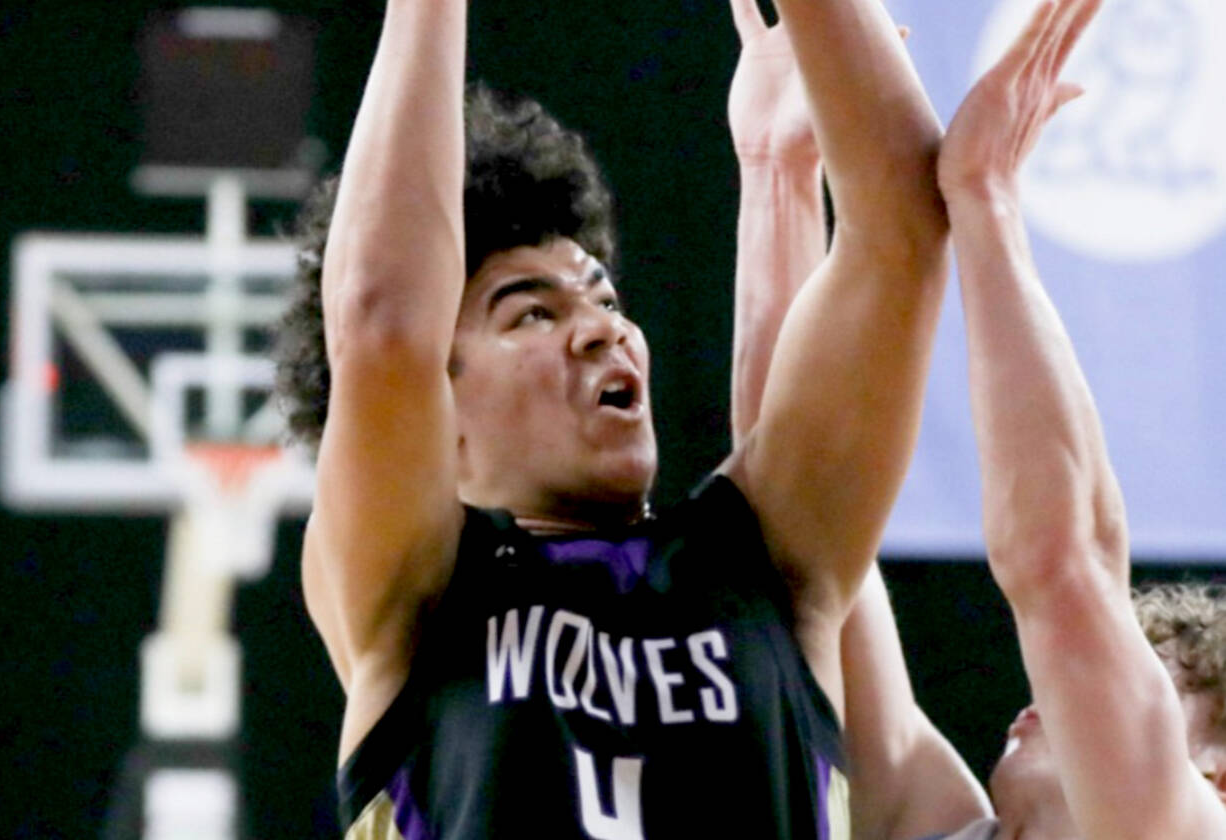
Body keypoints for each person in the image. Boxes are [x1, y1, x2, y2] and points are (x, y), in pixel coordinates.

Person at [272, 0, 950, 835]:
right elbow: (381, 328)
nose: (604, 328)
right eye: (531, 314)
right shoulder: (411, 594)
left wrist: (795, 125)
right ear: (440, 415)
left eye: (605, 297)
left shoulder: (769, 560)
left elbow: (902, 232)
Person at [729, 0, 1226, 836]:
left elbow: (1063, 569)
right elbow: (794, 539)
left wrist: (987, 195)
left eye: (1142, 677)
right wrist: (778, 173)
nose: (1046, 693)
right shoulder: (939, 816)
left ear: (1216, 776)